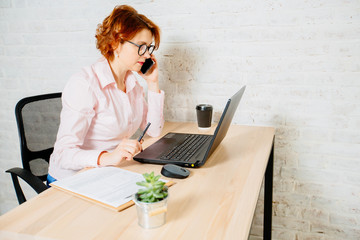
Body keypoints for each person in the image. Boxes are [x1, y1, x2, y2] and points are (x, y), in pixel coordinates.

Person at [47, 5, 164, 184]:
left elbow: (154, 130)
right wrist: (108, 157)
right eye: (141, 47)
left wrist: (152, 82)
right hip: (72, 179)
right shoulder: (85, 84)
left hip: (108, 172)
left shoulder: (132, 83)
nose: (147, 55)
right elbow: (63, 154)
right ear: (116, 43)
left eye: (149, 48)